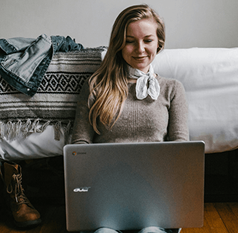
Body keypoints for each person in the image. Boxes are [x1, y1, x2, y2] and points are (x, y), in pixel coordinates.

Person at [72, 4, 189, 233]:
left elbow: (181, 150)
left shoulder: (172, 89)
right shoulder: (96, 87)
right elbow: (79, 145)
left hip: (156, 196)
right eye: (130, 41)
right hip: (104, 196)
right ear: (118, 44)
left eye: (147, 40)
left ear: (159, 43)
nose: (140, 49)